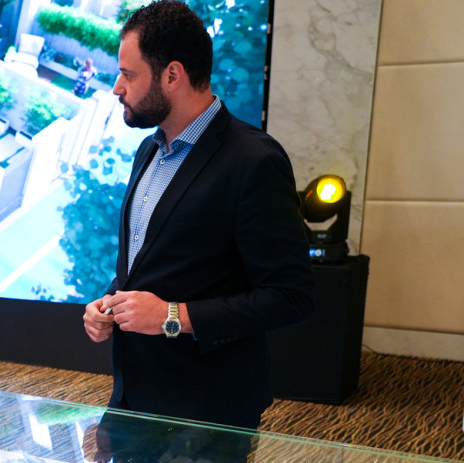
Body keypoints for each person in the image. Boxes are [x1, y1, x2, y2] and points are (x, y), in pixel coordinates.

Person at [82, 0, 314, 433]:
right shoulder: (148, 150)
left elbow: (291, 296)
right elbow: (153, 261)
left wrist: (172, 317)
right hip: (132, 394)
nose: (116, 87)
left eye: (128, 74)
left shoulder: (254, 161)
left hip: (208, 409)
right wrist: (110, 301)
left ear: (172, 75)